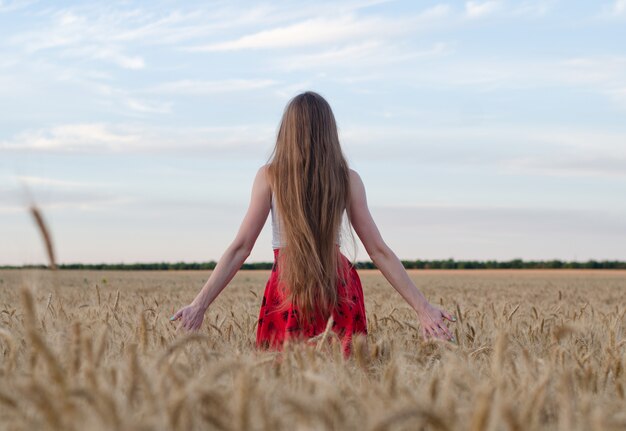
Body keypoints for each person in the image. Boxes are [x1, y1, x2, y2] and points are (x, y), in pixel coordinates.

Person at [170, 91, 457, 358]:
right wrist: (423, 308)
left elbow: (241, 247)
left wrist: (200, 305)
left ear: (287, 131)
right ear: (329, 132)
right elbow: (378, 251)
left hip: (287, 293)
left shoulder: (269, 177)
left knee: (282, 382)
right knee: (346, 382)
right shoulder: (348, 179)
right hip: (340, 291)